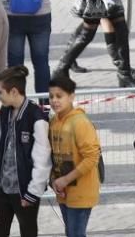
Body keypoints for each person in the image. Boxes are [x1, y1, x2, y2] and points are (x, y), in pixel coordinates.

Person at [0, 66, 52, 237]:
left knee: (28, 231)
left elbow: (42, 158)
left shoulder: (36, 117)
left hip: (25, 192)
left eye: (0, 92)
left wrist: (33, 191)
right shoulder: (2, 113)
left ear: (13, 91)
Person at [48, 74, 102, 237]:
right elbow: (52, 156)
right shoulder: (53, 122)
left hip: (81, 192)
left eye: (59, 96)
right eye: (51, 96)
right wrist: (54, 181)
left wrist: (65, 179)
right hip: (64, 192)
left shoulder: (80, 123)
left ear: (71, 96)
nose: (54, 100)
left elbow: (92, 157)